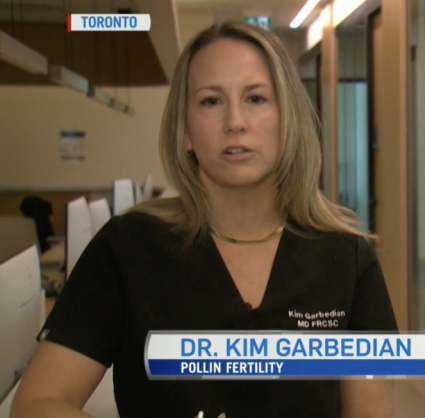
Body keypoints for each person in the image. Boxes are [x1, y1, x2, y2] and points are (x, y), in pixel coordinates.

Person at [10, 21, 397, 418]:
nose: (235, 122)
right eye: (211, 101)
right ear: (185, 132)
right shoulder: (127, 249)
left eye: (256, 98)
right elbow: (36, 404)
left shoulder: (347, 258)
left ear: (288, 121)